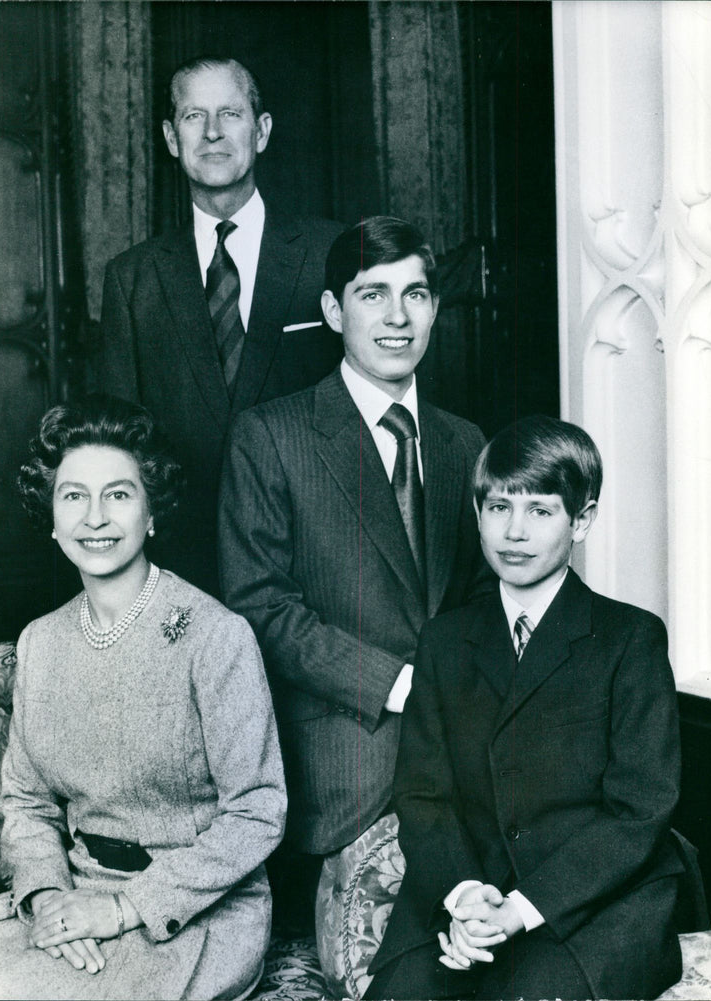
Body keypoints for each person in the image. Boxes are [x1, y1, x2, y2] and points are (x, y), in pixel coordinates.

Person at [0, 395, 286, 1001]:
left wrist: (123, 909)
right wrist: (46, 898)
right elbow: (27, 801)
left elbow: (256, 811)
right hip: (76, 896)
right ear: (52, 515)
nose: (95, 517)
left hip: (193, 915)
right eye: (74, 496)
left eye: (118, 494)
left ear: (152, 512)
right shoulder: (40, 642)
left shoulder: (215, 636)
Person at [218, 216, 492, 932]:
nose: (398, 317)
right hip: (346, 775)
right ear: (335, 311)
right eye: (374, 294)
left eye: (417, 294)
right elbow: (260, 607)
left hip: (471, 771)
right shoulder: (272, 436)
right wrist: (402, 685)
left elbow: (489, 594)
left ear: (435, 307)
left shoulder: (467, 443)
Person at [366, 415, 684, 1000]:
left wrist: (520, 910)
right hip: (472, 890)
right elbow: (421, 793)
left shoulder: (628, 638)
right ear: (478, 514)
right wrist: (463, 896)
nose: (514, 532)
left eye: (540, 511)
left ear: (581, 521)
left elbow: (640, 810)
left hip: (591, 902)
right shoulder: (445, 641)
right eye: (498, 508)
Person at [95, 56, 344, 596]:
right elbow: (119, 450)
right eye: (192, 116)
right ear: (169, 136)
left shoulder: (332, 254)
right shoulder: (132, 279)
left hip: (315, 566)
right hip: (183, 574)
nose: (211, 132)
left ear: (262, 131)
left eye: (229, 113)